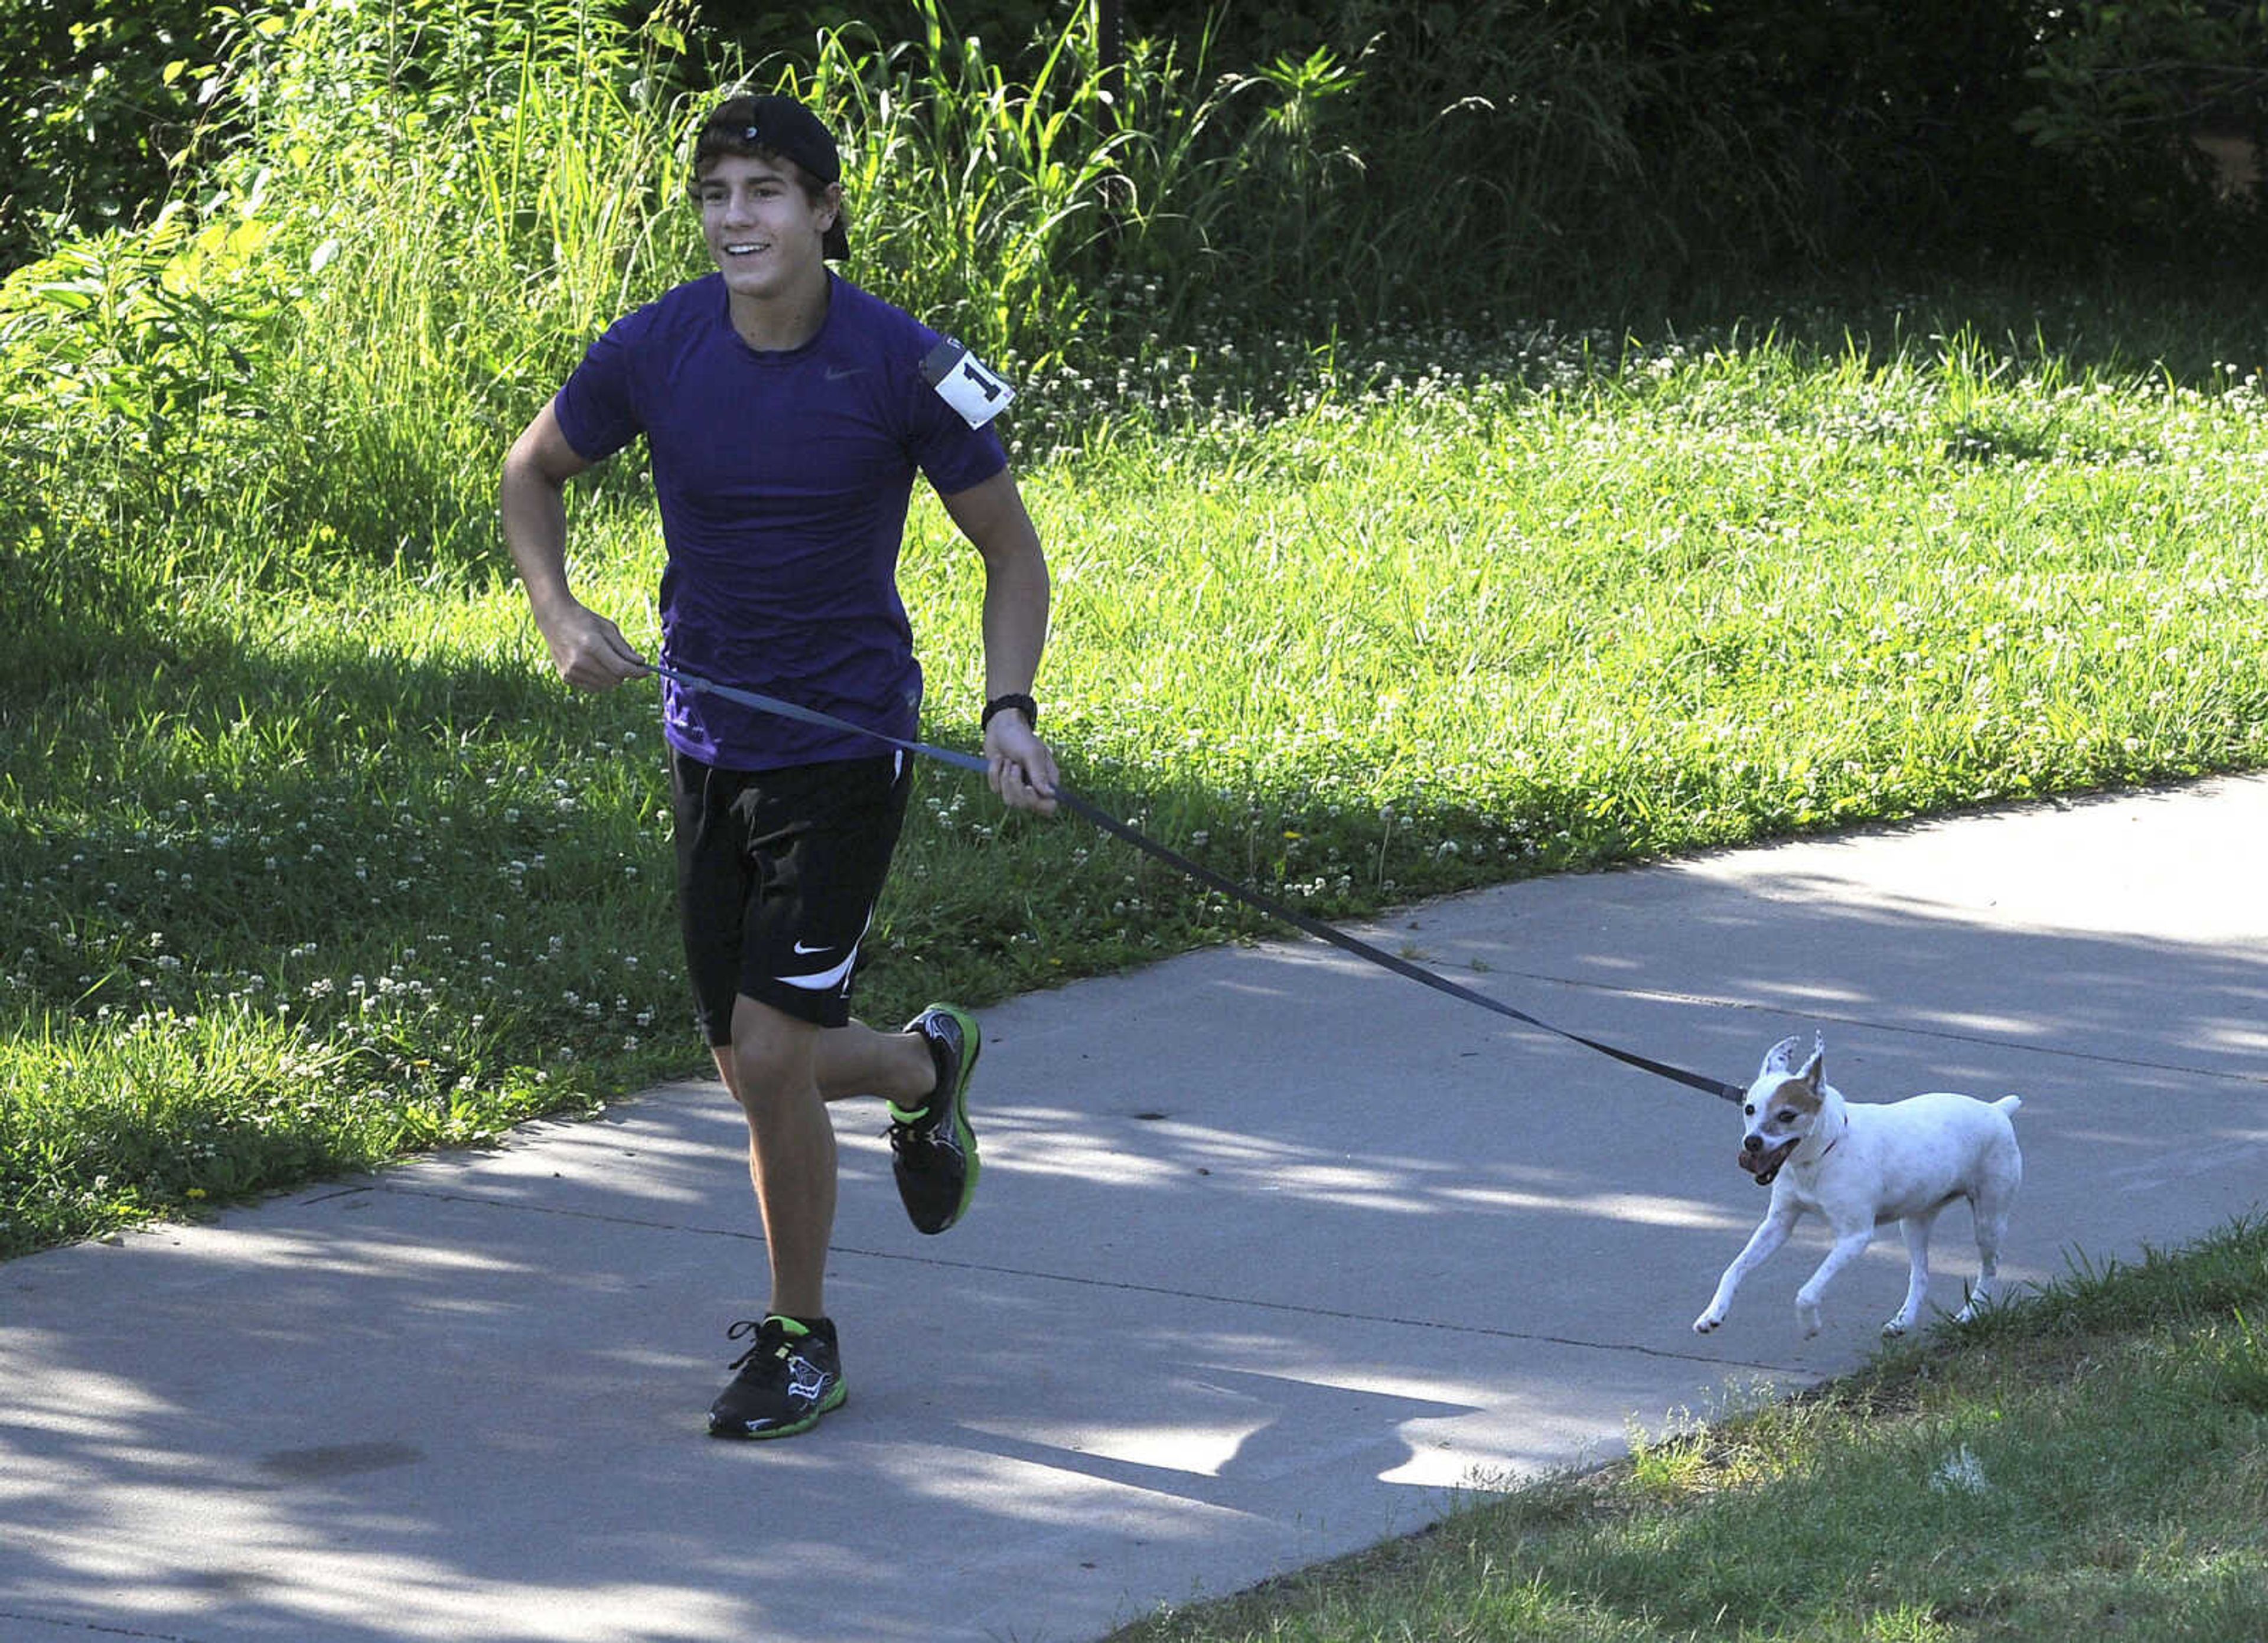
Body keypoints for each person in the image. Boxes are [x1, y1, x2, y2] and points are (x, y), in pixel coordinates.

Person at [498, 91, 1060, 1440]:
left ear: (822, 210)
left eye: (763, 191)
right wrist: (562, 614)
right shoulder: (655, 347)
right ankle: (926, 1070)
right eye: (715, 193)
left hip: (847, 748)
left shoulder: (905, 364)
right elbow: (530, 475)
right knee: (752, 1064)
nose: (734, 217)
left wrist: (1008, 708)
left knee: (765, 1052)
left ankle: (801, 1335)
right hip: (706, 737)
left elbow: (1012, 552)